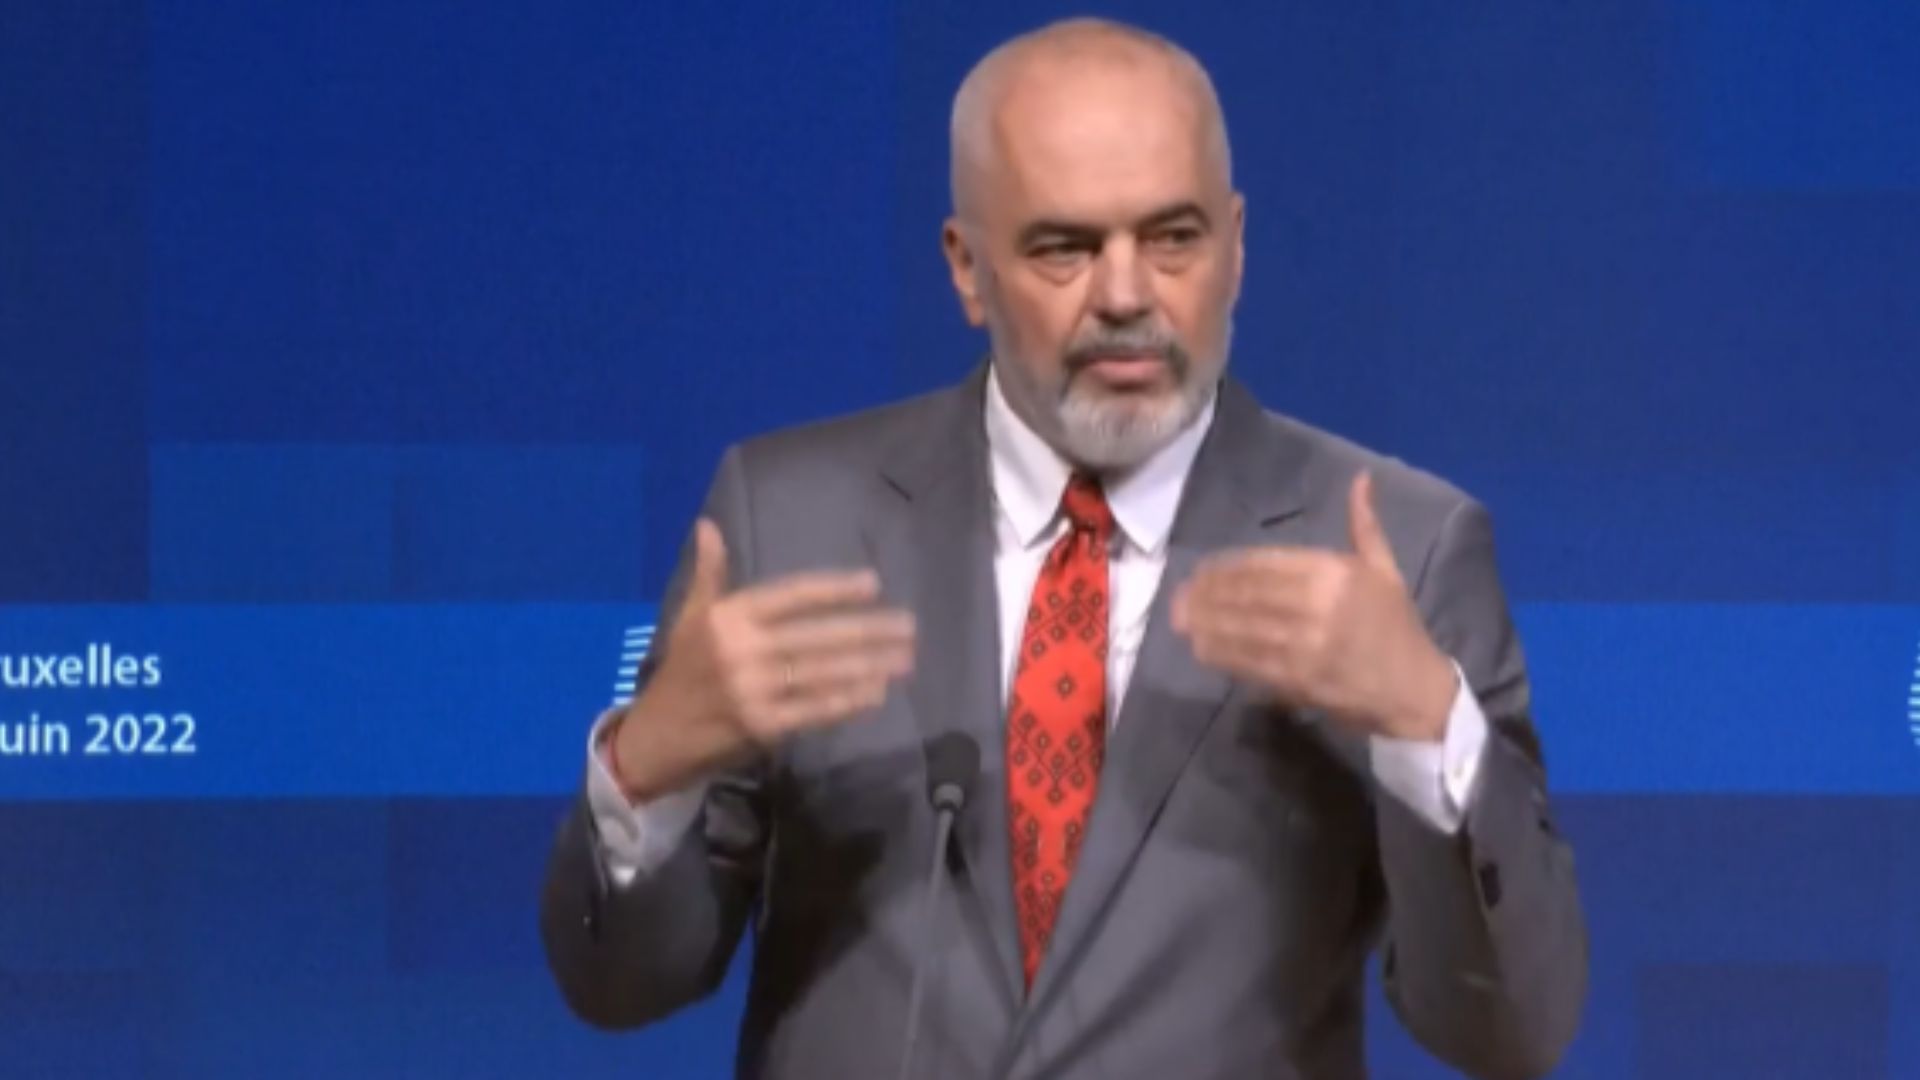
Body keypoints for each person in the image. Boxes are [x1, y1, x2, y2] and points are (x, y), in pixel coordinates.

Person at [541, 17, 1586, 1079]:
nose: (1126, 296)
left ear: (1235, 247)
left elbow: (1514, 1030)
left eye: (1172, 239)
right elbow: (620, 986)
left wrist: (1425, 727)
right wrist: (647, 770)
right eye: (1065, 249)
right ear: (968, 267)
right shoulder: (786, 520)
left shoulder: (1400, 551)